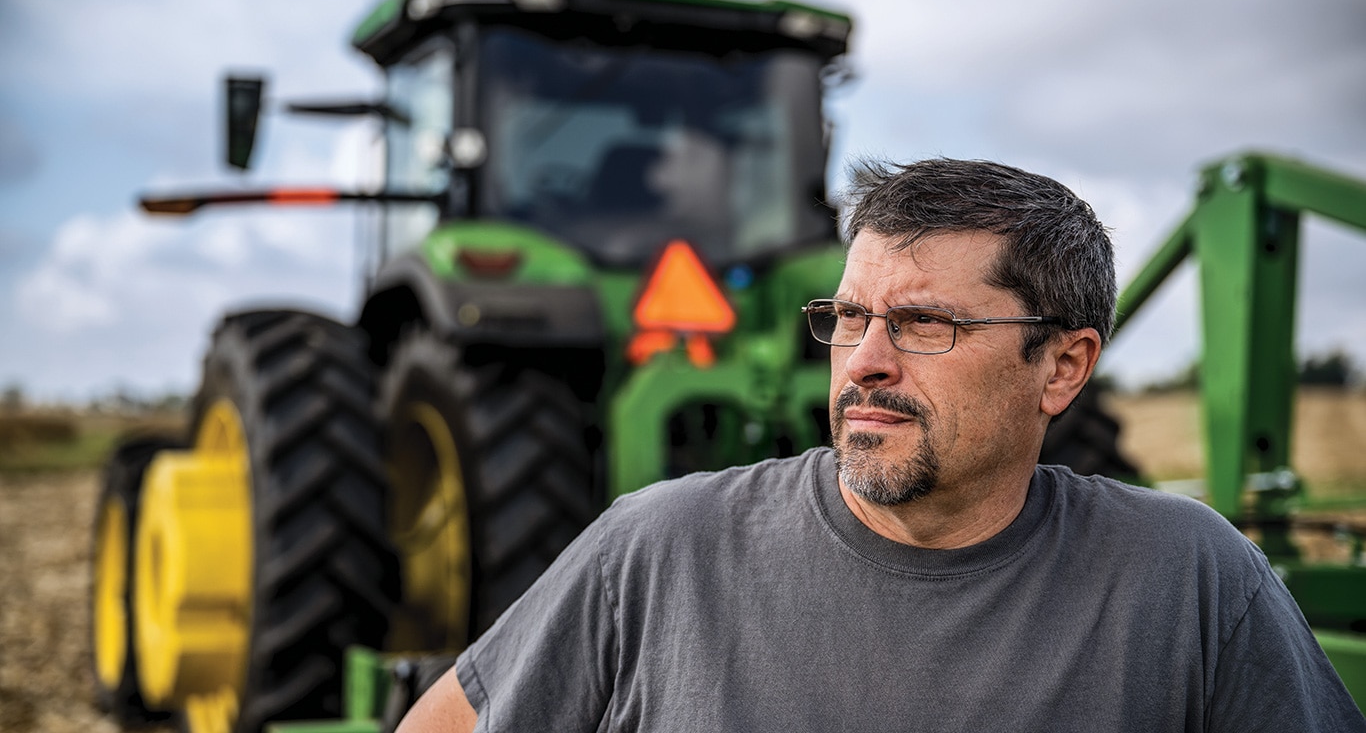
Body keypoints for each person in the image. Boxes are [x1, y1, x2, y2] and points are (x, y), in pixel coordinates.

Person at [398, 158, 1365, 732]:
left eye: (926, 324)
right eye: (849, 317)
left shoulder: (1187, 580)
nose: (862, 363)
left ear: (1062, 368)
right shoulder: (657, 550)